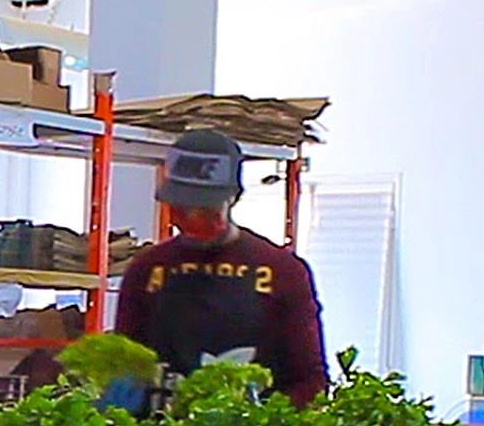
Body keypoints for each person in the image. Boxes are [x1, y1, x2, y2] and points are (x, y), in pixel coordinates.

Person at [114, 129, 329, 406]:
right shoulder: (146, 269)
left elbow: (310, 379)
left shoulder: (283, 271)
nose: (191, 218)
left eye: (204, 209)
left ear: (233, 198)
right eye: (181, 208)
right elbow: (123, 359)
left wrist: (268, 421)